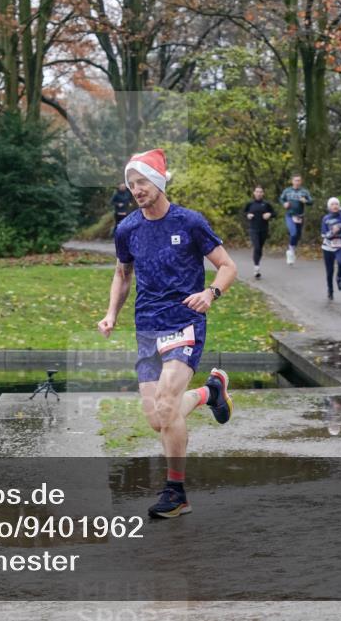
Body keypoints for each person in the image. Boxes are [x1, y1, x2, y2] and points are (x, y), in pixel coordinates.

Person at [98, 148, 237, 519]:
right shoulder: (127, 229)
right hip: (147, 326)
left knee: (166, 402)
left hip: (184, 321)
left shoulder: (189, 222)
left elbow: (227, 266)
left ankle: (176, 493)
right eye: (131, 184)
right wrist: (111, 314)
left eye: (142, 181)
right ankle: (211, 392)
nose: (137, 189)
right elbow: (122, 275)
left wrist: (211, 293)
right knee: (158, 418)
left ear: (159, 181)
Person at [279, 173, 313, 265]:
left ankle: (291, 250)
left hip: (300, 216)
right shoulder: (287, 191)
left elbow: (311, 201)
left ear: (301, 182)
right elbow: (281, 199)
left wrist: (306, 201)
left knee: (297, 236)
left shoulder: (304, 192)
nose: (297, 182)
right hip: (290, 215)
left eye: (299, 180)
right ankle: (290, 251)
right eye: (296, 180)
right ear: (292, 181)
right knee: (293, 233)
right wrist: (284, 203)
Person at [320, 197, 341, 301]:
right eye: (332, 204)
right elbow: (323, 234)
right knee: (329, 271)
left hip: (340, 245)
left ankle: (339, 278)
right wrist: (333, 232)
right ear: (329, 207)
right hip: (328, 247)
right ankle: (330, 290)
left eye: (336, 204)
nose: (335, 206)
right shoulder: (325, 218)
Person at [243, 186, 274, 279]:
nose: (259, 193)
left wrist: (269, 214)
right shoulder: (250, 204)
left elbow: (274, 213)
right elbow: (244, 212)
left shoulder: (266, 204)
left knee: (259, 248)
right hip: (253, 229)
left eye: (260, 192)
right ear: (254, 193)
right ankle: (256, 268)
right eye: (257, 192)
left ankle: (257, 264)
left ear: (263, 193)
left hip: (264, 229)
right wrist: (248, 215)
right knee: (256, 247)